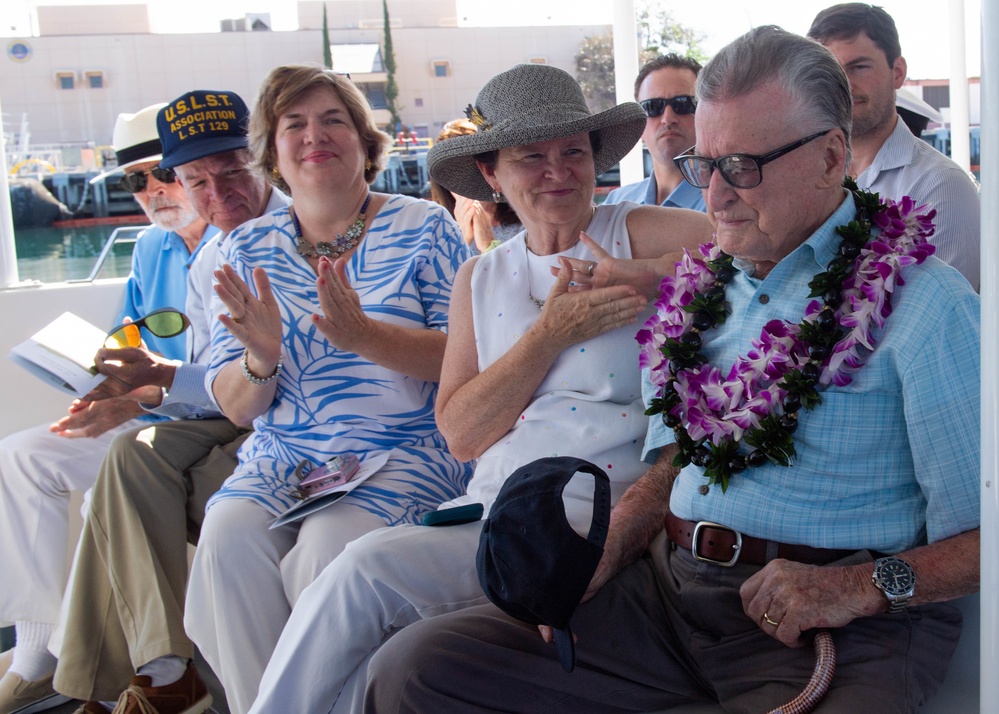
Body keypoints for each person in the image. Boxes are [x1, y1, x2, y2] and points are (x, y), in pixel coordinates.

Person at [361, 27, 980, 713]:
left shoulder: (923, 305)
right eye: (702, 166)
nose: (713, 198)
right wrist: (606, 551)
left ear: (830, 155)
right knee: (418, 669)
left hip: (825, 622)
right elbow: (670, 465)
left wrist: (857, 588)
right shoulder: (697, 290)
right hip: (665, 592)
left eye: (742, 166)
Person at [247, 62, 710, 714]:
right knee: (355, 575)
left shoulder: (633, 231)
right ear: (491, 175)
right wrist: (547, 335)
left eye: (572, 152)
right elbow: (461, 435)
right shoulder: (481, 278)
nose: (558, 171)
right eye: (531, 157)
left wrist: (654, 275)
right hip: (496, 513)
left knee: (361, 586)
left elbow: (760, 250)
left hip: (593, 511)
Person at [181, 65, 474, 714]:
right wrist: (260, 358)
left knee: (322, 553)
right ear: (272, 151)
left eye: (333, 119)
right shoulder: (242, 250)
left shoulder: (424, 227)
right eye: (295, 124)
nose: (314, 135)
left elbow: (469, 359)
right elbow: (235, 403)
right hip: (285, 456)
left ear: (365, 142)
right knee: (227, 542)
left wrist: (364, 336)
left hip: (407, 449)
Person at [51, 89, 291, 714]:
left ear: (263, 159)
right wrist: (145, 389)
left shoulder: (308, 230)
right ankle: (165, 669)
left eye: (233, 172)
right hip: (227, 408)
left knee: (146, 480)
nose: (217, 196)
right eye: (197, 181)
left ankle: (133, 680)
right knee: (132, 456)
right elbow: (211, 377)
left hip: (287, 416)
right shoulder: (208, 255)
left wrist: (151, 393)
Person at [0, 104, 214, 714]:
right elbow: (128, 337)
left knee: (111, 486)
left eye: (162, 175)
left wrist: (139, 396)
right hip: (149, 417)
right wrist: (101, 380)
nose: (151, 192)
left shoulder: (240, 242)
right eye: (134, 182)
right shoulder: (151, 249)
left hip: (210, 423)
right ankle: (37, 652)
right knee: (19, 457)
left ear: (196, 172)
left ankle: (150, 670)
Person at [808, 2, 981, 289]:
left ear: (897, 72)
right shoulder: (805, 173)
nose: (843, 85)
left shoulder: (939, 186)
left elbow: (940, 320)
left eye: (858, 67)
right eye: (830, 72)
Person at [604, 53, 705, 212]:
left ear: (705, 115)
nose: (668, 118)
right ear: (639, 125)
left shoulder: (727, 208)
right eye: (652, 106)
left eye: (683, 104)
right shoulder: (613, 206)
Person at [429, 118, 522, 254]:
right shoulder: (437, 231)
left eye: (473, 169)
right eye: (454, 174)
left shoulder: (524, 220)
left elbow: (520, 273)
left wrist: (488, 244)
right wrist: (460, 240)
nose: (467, 183)